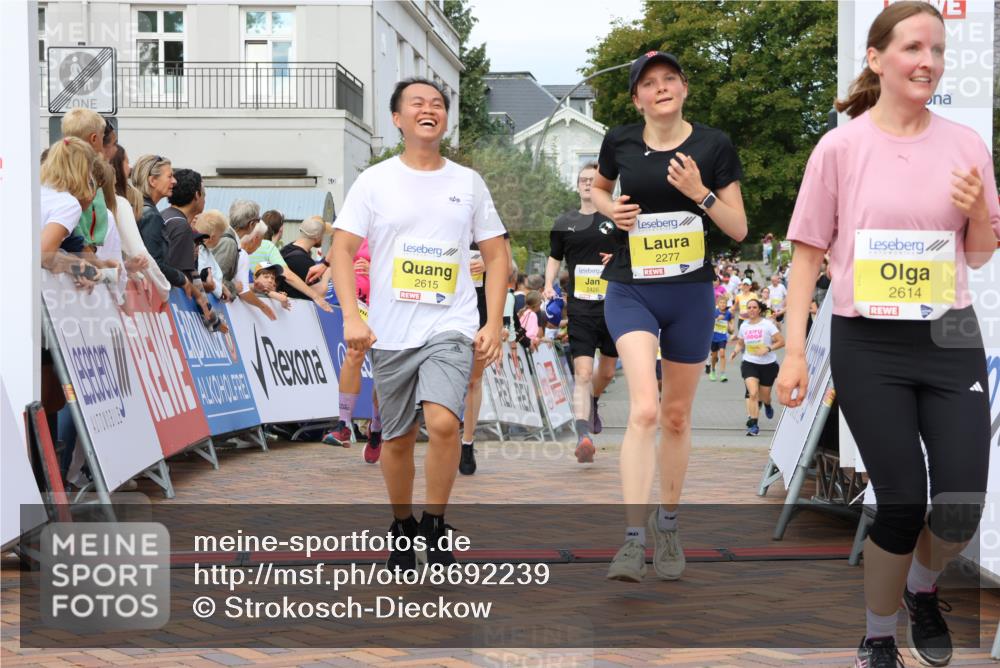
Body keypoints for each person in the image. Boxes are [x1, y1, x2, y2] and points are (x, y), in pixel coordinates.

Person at [775, 3, 1000, 666]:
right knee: (902, 503)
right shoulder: (841, 147)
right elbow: (807, 257)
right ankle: (877, 635)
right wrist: (792, 354)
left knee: (961, 504)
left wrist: (977, 210)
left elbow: (982, 252)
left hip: (948, 334)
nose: (927, 61)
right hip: (868, 341)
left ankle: (922, 591)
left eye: (936, 49)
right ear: (877, 58)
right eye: (911, 48)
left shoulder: (965, 145)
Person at [327, 77, 507, 571]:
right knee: (399, 437)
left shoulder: (467, 182)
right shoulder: (375, 181)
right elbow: (341, 250)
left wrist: (492, 323)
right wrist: (350, 316)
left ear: (445, 118)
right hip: (390, 330)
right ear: (398, 118)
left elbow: (497, 254)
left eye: (438, 104)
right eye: (417, 103)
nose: (429, 109)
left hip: (449, 323)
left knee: (445, 422)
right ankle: (402, 523)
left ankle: (435, 519)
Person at [589, 50, 747, 583]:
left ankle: (669, 524)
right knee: (644, 410)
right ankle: (632, 539)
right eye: (649, 84)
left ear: (683, 89)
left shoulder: (713, 144)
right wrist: (612, 210)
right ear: (637, 98)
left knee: (677, 417)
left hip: (690, 293)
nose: (661, 88)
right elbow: (598, 189)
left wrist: (698, 192)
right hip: (632, 288)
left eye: (670, 80)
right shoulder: (620, 141)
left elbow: (740, 228)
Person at [544, 161, 619, 462]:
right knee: (583, 372)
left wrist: (616, 257)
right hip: (580, 308)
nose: (589, 183)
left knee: (608, 371)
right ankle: (582, 434)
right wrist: (549, 284)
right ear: (577, 186)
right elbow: (554, 257)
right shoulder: (565, 222)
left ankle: (595, 401)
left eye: (594, 180)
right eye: (584, 179)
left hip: (614, 305)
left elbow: (632, 253)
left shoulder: (615, 218)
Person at [730, 299, 782, 436]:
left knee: (765, 397)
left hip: (768, 365)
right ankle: (753, 424)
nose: (751, 310)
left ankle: (768, 404)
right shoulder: (744, 326)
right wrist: (735, 351)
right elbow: (741, 343)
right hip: (749, 363)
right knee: (753, 393)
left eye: (754, 307)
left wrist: (768, 348)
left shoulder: (768, 325)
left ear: (759, 309)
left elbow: (781, 342)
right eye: (749, 307)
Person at [708, 294, 731, 382]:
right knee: (714, 356)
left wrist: (730, 328)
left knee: (722, 354)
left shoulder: (728, 313)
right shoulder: (714, 312)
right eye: (721, 303)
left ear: (726, 304)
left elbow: (730, 326)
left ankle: (723, 373)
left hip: (723, 337)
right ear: (718, 303)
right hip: (713, 337)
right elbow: (708, 323)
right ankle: (713, 370)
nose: (722, 304)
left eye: (724, 303)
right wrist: (717, 319)